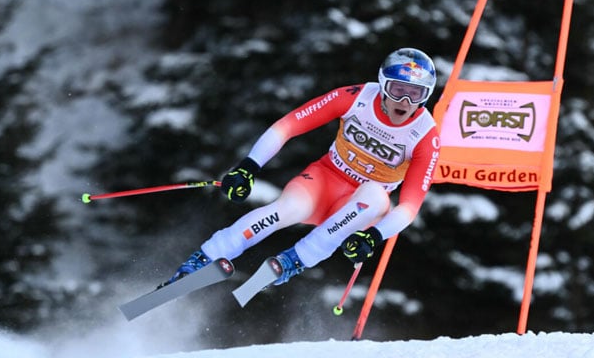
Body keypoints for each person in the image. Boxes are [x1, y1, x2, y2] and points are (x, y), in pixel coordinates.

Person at [165, 47, 440, 287]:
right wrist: (248, 167)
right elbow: (287, 126)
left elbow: (409, 207)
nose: (405, 102)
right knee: (283, 210)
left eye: (416, 94)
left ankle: (292, 262)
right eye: (397, 90)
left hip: (356, 208)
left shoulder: (425, 135)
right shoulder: (356, 97)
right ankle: (202, 260)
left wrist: (374, 236)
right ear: (382, 84)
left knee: (376, 195)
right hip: (322, 181)